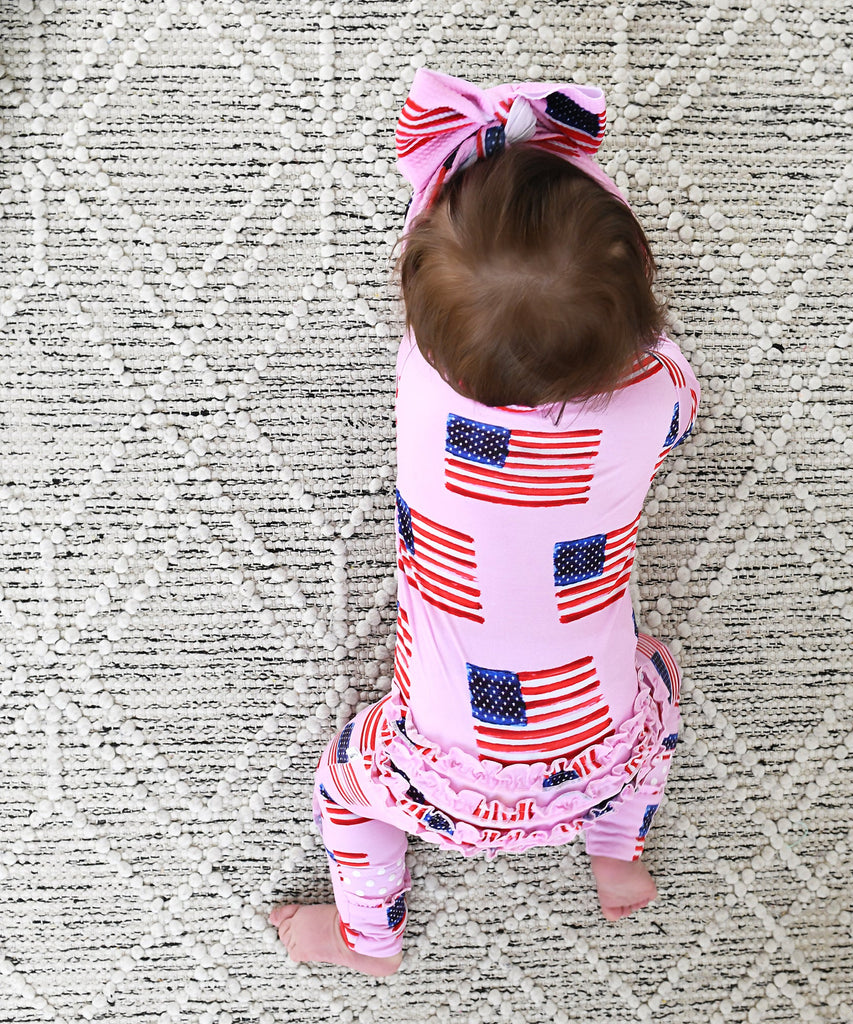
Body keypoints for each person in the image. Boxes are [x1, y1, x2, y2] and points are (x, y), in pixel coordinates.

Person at [270, 68, 700, 977]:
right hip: (606, 751)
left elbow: (438, 262)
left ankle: (366, 938)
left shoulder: (424, 385)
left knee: (344, 790)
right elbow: (675, 403)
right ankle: (616, 844)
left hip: (440, 773)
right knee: (658, 672)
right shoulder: (658, 392)